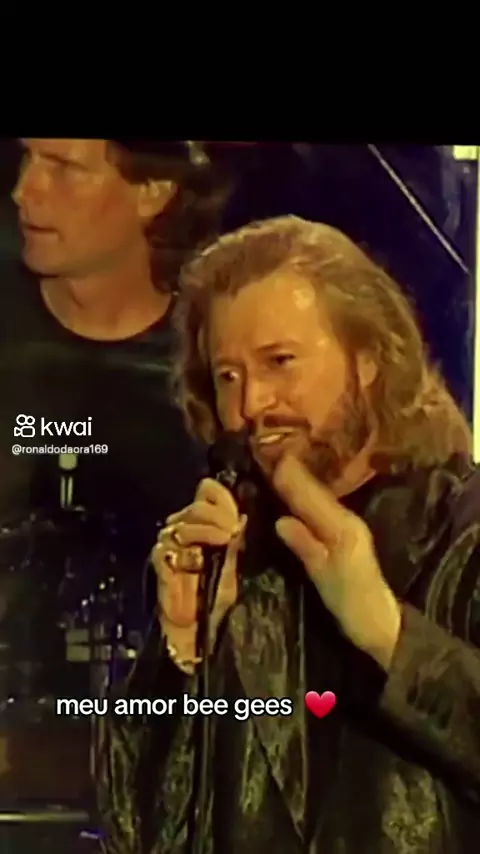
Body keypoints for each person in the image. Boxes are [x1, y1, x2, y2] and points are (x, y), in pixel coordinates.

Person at [97, 215, 480, 854]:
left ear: (368, 360)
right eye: (228, 375)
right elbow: (135, 831)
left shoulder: (465, 531)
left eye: (280, 362)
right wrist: (181, 655)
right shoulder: (224, 554)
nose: (251, 406)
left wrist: (388, 634)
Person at [0, 139, 236, 804]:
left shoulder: (224, 358)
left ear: (153, 192)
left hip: (178, 763)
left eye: (63, 167)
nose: (24, 190)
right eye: (27, 158)